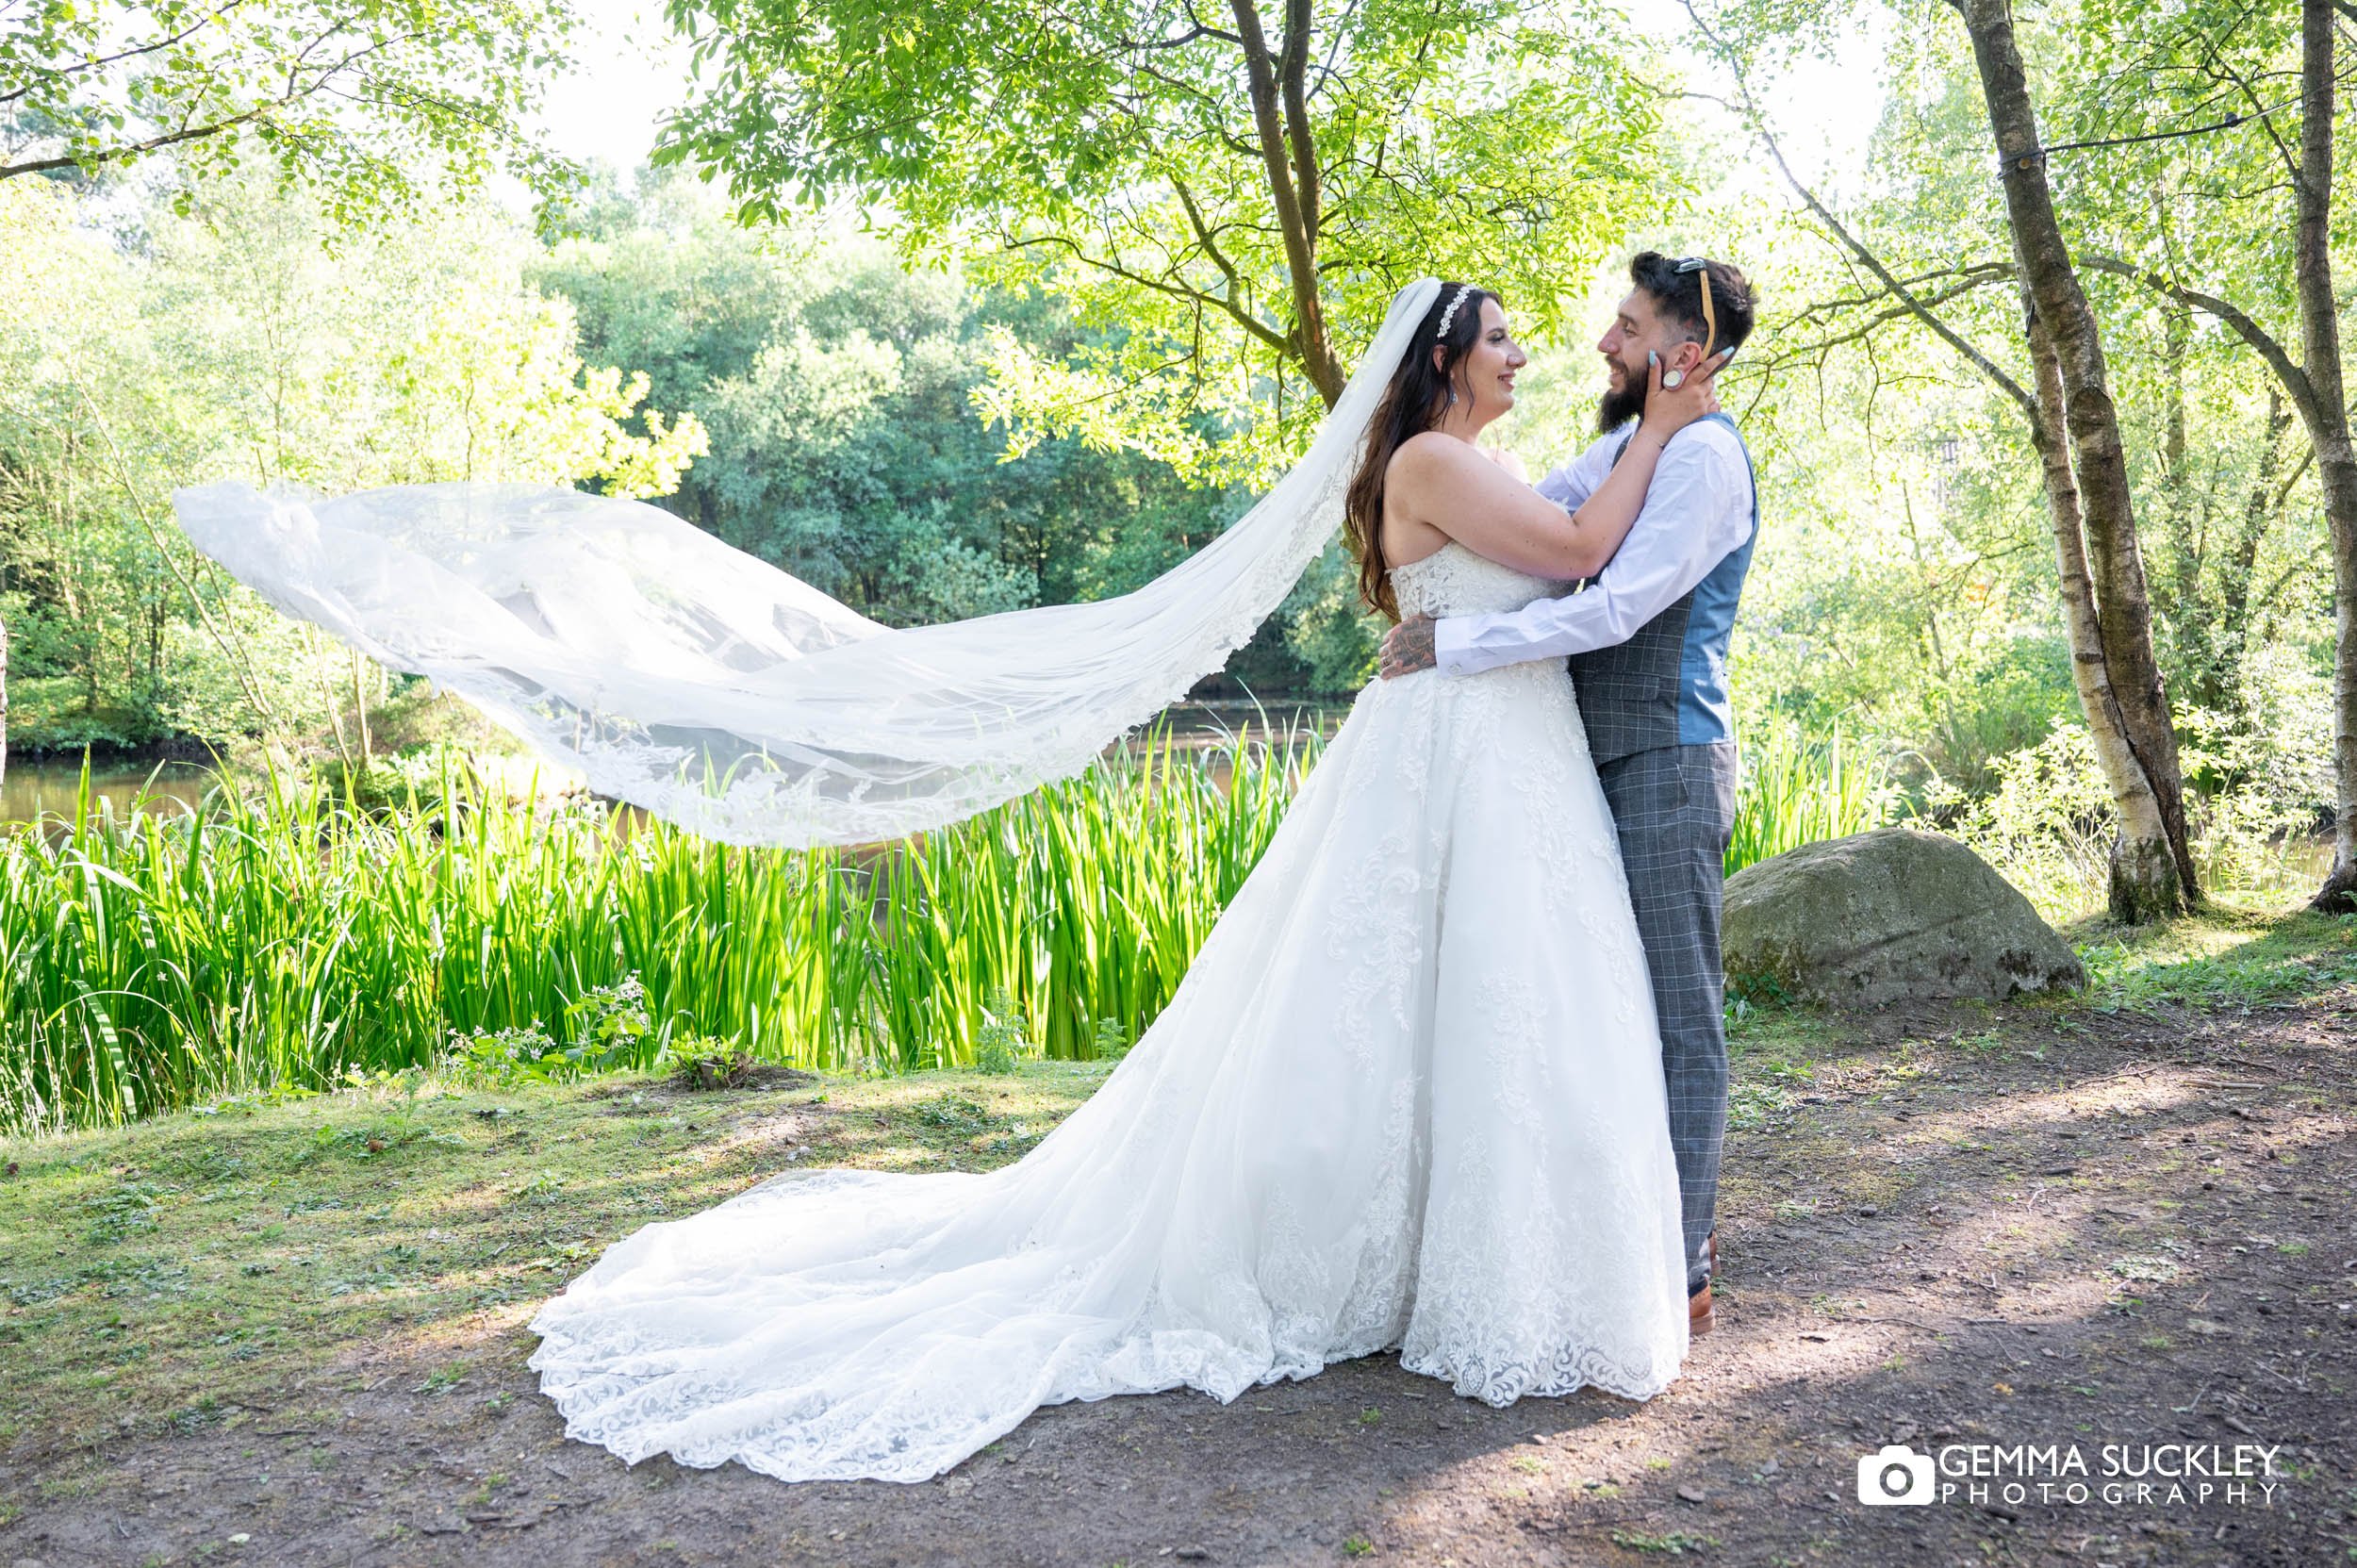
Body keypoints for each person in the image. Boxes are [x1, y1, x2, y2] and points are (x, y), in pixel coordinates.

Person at [518, 281, 1735, 1483]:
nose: (1528, 353)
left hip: (1505, 754)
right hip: (1464, 752)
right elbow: (1581, 551)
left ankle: (1476, 1253)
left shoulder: (1493, 463)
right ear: (1444, 358)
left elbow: (1591, 532)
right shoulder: (1433, 458)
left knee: (1498, 1002)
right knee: (1433, 994)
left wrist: (1658, 434)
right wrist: (1666, 430)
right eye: (1502, 338)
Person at [1377, 253, 1760, 1334]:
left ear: (1683, 352)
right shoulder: (1627, 448)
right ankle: (1592, 1228)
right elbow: (1539, 527)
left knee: (1676, 1015)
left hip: (1663, 753)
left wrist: (1459, 641)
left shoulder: (1702, 463)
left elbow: (1616, 607)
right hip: (1574, 758)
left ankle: (1681, 1253)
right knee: (1588, 1008)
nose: (1603, 342)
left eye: (1628, 327)